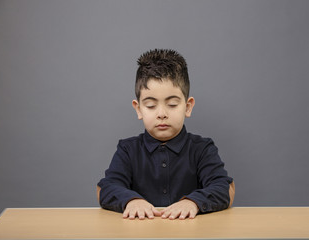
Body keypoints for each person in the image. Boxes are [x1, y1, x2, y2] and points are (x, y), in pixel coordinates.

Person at [97, 49, 235, 220]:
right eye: (150, 106)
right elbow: (106, 188)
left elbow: (224, 187)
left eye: (172, 104)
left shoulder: (202, 149)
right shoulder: (127, 150)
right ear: (138, 109)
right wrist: (131, 200)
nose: (162, 113)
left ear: (188, 106)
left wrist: (193, 202)